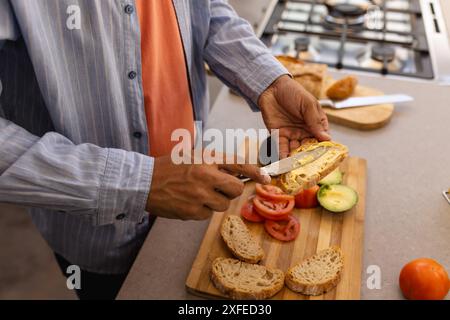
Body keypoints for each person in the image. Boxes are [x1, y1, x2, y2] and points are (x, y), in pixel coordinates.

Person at [0, 0, 330, 299]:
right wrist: (140, 183)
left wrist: (268, 82)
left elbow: (208, 10)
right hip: (98, 232)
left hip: (196, 193)